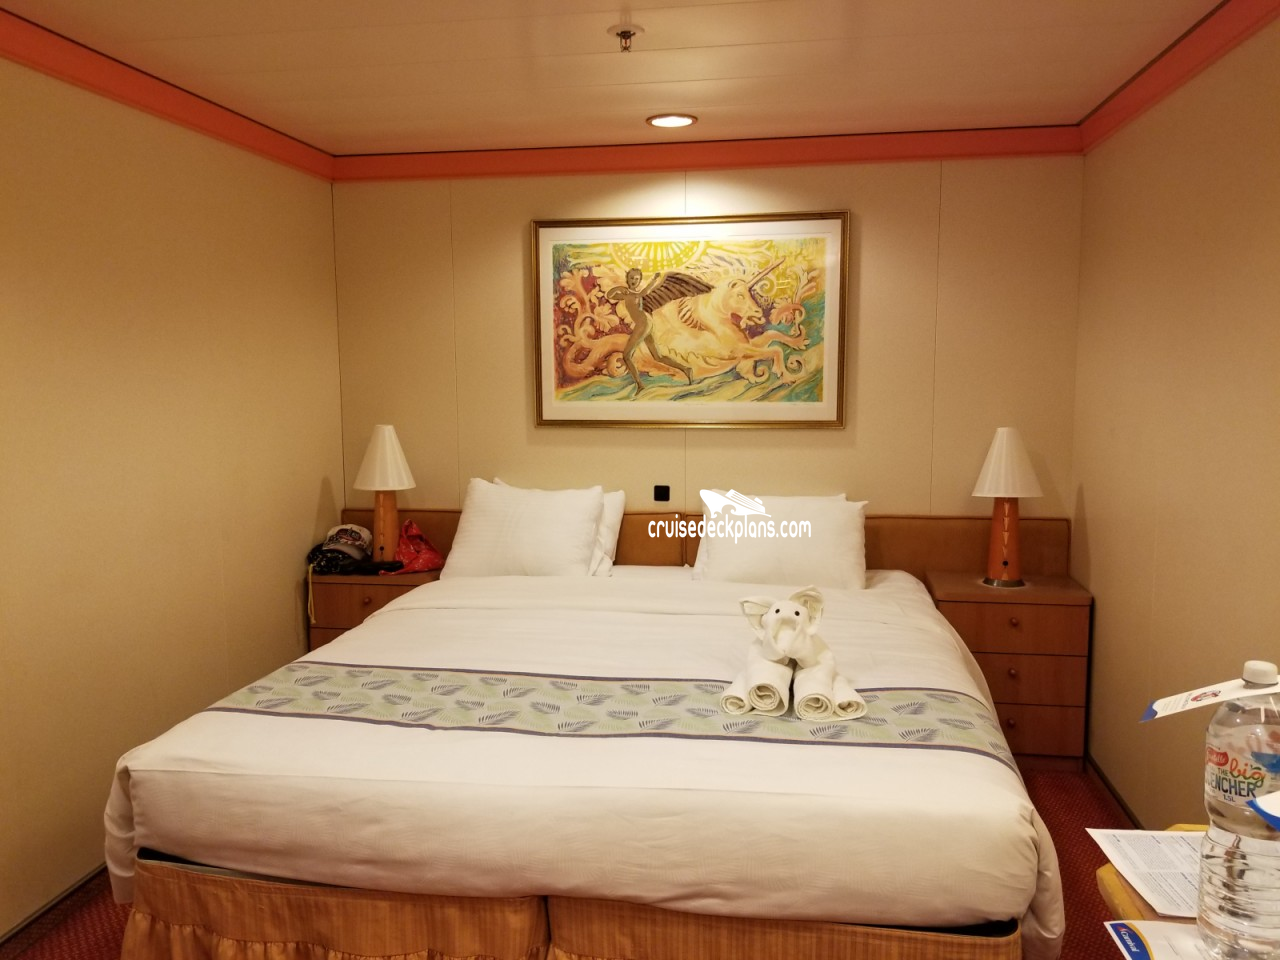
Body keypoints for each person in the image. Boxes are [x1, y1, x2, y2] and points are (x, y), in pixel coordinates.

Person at [605, 268, 693, 390]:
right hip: (647, 322)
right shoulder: (626, 294)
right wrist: (619, 288)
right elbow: (609, 295)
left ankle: (640, 385)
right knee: (658, 357)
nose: (634, 281)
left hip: (644, 323)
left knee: (627, 356)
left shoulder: (635, 294)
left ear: (640, 280)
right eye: (631, 278)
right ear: (627, 279)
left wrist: (654, 280)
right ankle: (686, 369)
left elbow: (644, 292)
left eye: (637, 279)